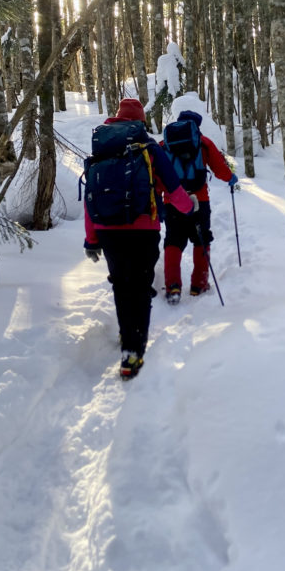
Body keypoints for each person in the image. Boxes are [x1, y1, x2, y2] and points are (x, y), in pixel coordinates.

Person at [83, 98, 195, 380]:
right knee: (140, 286)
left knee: (122, 285)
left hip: (108, 230)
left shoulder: (102, 149)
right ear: (140, 122)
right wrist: (189, 207)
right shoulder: (149, 148)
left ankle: (126, 334)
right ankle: (134, 351)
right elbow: (172, 186)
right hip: (143, 228)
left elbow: (90, 196)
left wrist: (91, 238)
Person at [161, 109, 239, 303]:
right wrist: (231, 178)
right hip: (200, 199)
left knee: (173, 241)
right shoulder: (203, 143)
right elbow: (220, 168)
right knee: (201, 239)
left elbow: (157, 173)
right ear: (196, 126)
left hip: (173, 202)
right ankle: (199, 285)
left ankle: (173, 287)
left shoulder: (164, 145)